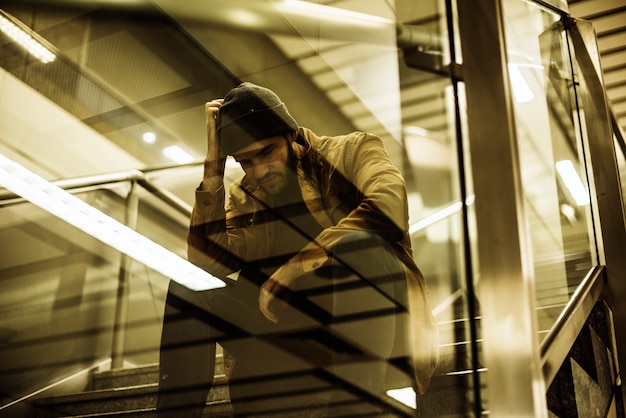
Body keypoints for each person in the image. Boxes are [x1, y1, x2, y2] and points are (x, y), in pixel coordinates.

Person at [156, 82, 439, 417]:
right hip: (288, 343)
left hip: (373, 334)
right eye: (245, 162)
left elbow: (389, 209)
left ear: (291, 135)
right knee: (190, 285)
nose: (259, 171)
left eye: (266, 152)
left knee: (360, 246)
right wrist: (212, 171)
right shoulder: (245, 194)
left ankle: (355, 411)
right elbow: (206, 264)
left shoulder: (352, 151)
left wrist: (296, 267)